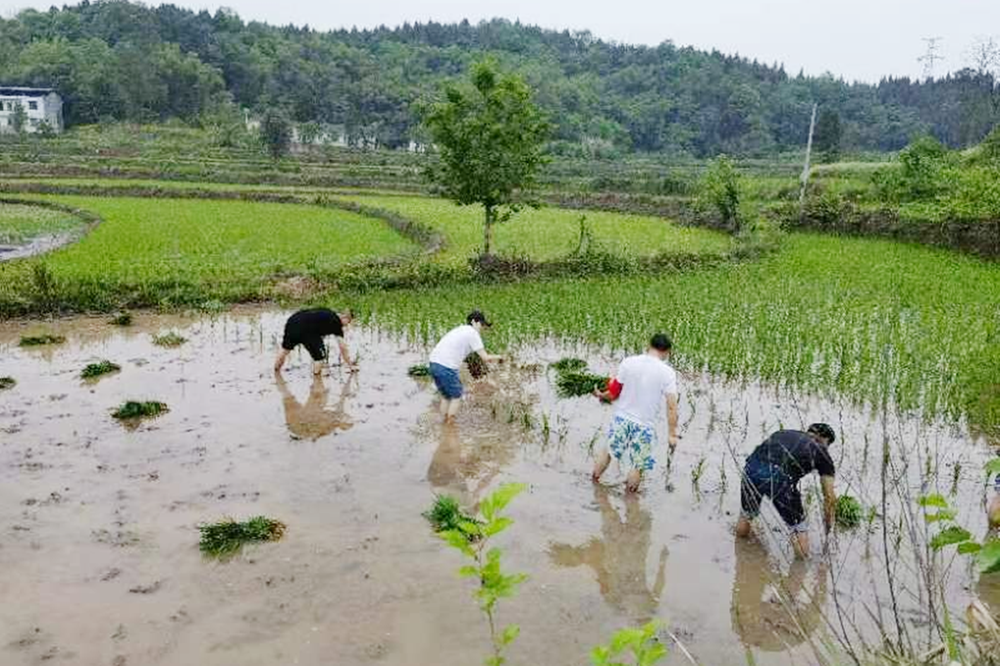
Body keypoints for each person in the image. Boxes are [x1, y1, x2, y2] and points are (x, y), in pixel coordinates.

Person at [591, 333, 679, 493]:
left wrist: (600, 395)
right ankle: (631, 502)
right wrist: (672, 434)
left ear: (649, 345)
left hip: (622, 419)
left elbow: (614, 392)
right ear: (666, 352)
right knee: (638, 465)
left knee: (608, 452)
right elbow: (672, 406)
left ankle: (594, 484)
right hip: (644, 426)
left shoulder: (629, 362)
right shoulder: (667, 373)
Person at [736, 424, 837, 558]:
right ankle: (801, 567)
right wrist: (829, 527)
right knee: (798, 530)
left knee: (747, 514)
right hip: (780, 479)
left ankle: (741, 549)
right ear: (825, 440)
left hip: (751, 469)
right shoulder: (822, 453)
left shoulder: (783, 432)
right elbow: (829, 497)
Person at [428, 310, 502, 424]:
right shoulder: (472, 333)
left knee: (446, 396)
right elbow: (485, 357)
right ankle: (450, 427)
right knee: (457, 396)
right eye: (481, 324)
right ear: (473, 322)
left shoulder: (460, 329)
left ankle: (443, 426)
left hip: (433, 363)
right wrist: (502, 357)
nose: (482, 328)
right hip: (445, 367)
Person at [274, 308, 357, 375]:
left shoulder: (327, 313)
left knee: (285, 350)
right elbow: (343, 348)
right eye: (348, 322)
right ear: (344, 317)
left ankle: (276, 373)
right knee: (320, 358)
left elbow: (318, 330)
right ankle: (317, 382)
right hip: (307, 330)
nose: (347, 325)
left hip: (292, 321)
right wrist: (350, 365)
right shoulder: (336, 322)